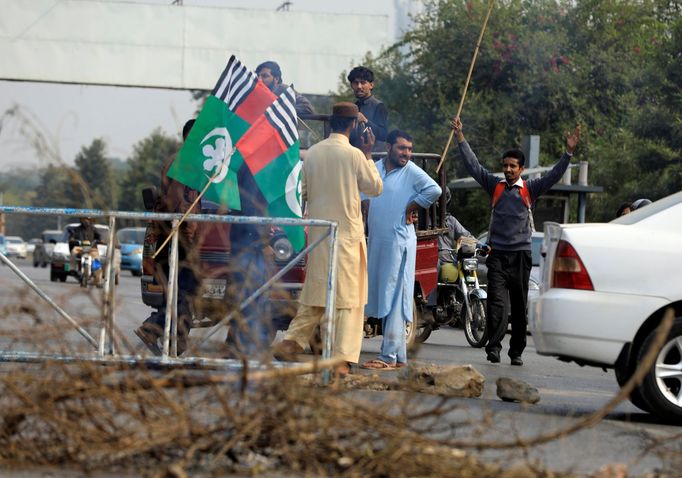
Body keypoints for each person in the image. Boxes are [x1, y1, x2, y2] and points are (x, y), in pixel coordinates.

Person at [450, 116, 581, 366]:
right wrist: (460, 138)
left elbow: (554, 175)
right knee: (497, 303)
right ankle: (494, 348)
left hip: (520, 256)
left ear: (521, 169)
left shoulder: (530, 189)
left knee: (519, 307)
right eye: (505, 165)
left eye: (513, 166)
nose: (508, 170)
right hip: (497, 255)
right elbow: (474, 166)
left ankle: (516, 351)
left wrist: (568, 153)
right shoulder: (495, 185)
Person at [274, 102, 383, 376]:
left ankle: (292, 341)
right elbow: (375, 188)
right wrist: (369, 153)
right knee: (349, 299)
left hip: (320, 235)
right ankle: (342, 360)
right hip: (347, 236)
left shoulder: (312, 154)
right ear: (354, 125)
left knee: (316, 291)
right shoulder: (355, 154)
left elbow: (303, 193)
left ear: (331, 122)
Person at [360, 130, 441, 370]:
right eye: (401, 148)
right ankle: (400, 356)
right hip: (378, 240)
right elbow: (364, 195)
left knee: (396, 295)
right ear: (388, 147)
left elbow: (433, 190)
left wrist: (411, 207)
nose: (406, 153)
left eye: (409, 149)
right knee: (387, 293)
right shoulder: (375, 168)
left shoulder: (411, 171)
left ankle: (388, 356)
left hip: (398, 241)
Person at [135, 119, 200, 356]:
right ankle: (154, 328)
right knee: (184, 289)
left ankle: (175, 341)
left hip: (171, 235)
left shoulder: (184, 161)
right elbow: (180, 204)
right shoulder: (186, 163)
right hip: (177, 238)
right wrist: (189, 235)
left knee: (179, 291)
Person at [347, 66, 389, 151]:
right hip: (354, 155)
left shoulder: (378, 106)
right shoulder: (353, 107)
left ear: (371, 85)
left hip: (373, 158)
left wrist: (365, 121)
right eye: (356, 83)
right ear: (352, 85)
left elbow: (384, 135)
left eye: (363, 82)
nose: (359, 86)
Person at [68, 216, 103, 283]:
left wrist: (100, 240)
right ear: (81, 220)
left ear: (90, 220)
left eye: (87, 219)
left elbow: (99, 237)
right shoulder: (77, 229)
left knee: (96, 258)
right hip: (80, 248)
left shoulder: (93, 229)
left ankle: (98, 276)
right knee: (73, 252)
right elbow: (72, 236)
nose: (85, 221)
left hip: (92, 248)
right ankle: (72, 269)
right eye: (84, 219)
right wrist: (72, 239)